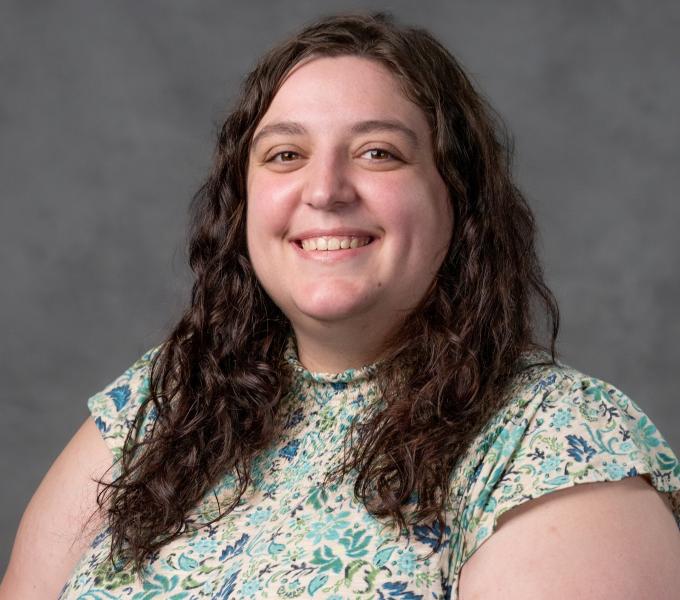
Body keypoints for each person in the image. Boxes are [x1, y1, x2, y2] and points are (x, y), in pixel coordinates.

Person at [2, 12, 679, 600]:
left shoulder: (557, 442)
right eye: (286, 154)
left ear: (459, 200)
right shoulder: (166, 400)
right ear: (244, 206)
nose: (323, 190)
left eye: (378, 153)